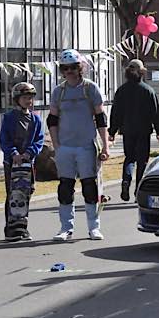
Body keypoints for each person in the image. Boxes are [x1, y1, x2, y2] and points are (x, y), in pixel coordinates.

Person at [48, 49, 110, 241]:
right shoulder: (59, 91)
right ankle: (66, 228)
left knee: (89, 187)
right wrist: (56, 144)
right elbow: (52, 119)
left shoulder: (90, 88)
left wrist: (106, 146)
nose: (69, 72)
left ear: (80, 68)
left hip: (86, 146)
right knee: (65, 187)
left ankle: (94, 227)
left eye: (73, 68)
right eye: (65, 69)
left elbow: (100, 118)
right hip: (65, 147)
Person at [0, 82, 45, 241]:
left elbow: (39, 140)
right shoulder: (9, 118)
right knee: (12, 194)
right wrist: (14, 153)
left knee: (25, 192)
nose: (29, 101)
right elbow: (4, 139)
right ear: (17, 99)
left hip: (27, 163)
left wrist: (29, 153)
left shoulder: (36, 119)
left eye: (31, 98)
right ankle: (11, 228)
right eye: (25, 98)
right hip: (11, 163)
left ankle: (22, 227)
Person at [109, 59, 159, 201]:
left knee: (129, 158)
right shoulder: (148, 90)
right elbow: (155, 113)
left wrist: (112, 130)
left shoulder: (121, 90)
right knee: (142, 161)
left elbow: (116, 112)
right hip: (144, 130)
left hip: (127, 130)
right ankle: (138, 189)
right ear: (142, 72)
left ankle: (126, 181)